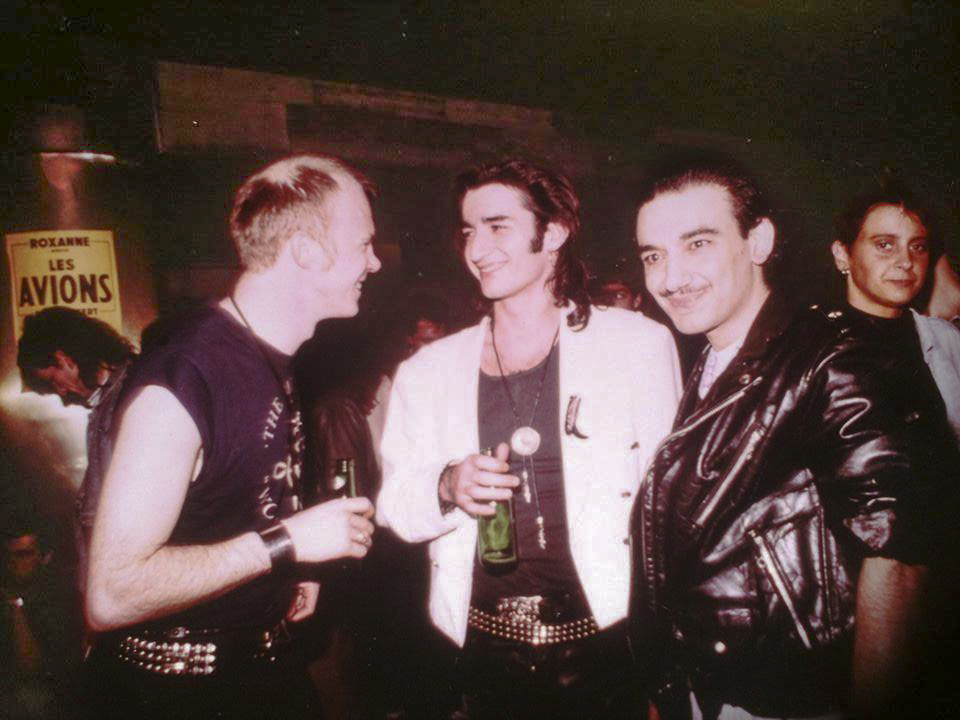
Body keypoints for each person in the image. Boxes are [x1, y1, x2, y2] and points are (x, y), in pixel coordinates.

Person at [630, 151, 957, 720]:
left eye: (698, 244)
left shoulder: (834, 355)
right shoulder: (716, 357)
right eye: (653, 255)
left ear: (758, 242)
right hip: (711, 688)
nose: (670, 277)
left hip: (781, 700)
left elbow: (898, 556)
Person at [378, 158, 682, 719]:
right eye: (468, 231)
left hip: (610, 642)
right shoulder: (428, 370)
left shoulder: (637, 345)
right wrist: (446, 485)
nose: (477, 249)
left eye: (498, 227)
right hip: (481, 652)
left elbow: (672, 509)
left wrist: (666, 666)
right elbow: (394, 507)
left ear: (555, 233)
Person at [81, 154, 380, 719]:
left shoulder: (273, 355)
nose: (376, 261)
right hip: (173, 694)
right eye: (364, 244)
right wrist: (286, 545)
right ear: (306, 251)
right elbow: (111, 595)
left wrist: (291, 572)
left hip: (260, 671)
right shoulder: (187, 375)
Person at [831, 185, 960, 441]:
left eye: (918, 247)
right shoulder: (817, 349)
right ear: (843, 255)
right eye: (885, 245)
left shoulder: (944, 340)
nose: (906, 261)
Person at [17, 307, 136, 582]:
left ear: (65, 359)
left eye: (52, 381)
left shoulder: (128, 398)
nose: (60, 394)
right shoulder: (104, 407)